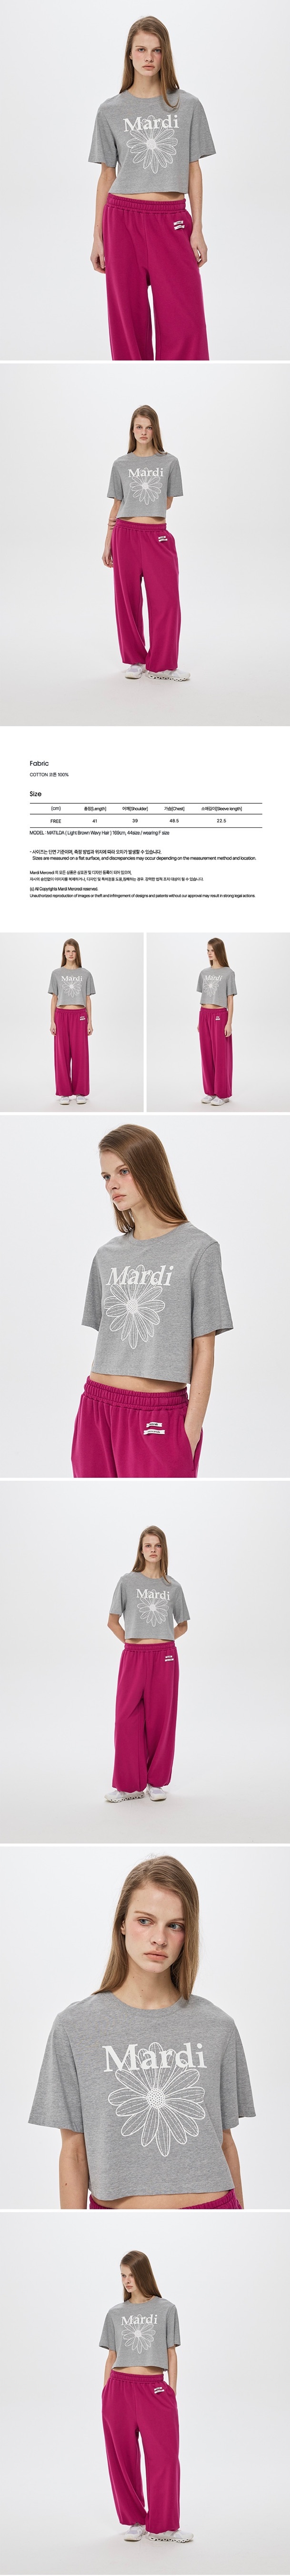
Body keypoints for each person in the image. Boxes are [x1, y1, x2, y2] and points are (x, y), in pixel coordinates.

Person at [29, 1854, 255, 2208]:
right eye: (145, 1921)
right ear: (122, 1924)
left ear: (188, 1934)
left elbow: (224, 2140)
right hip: (115, 2220)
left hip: (213, 2210)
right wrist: (71, 2231)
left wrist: (244, 2226)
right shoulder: (75, 2028)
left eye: (175, 1926)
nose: (159, 1939)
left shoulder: (217, 2027)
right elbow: (74, 2151)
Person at [70, 1121, 233, 1480]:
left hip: (158, 1413)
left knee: (160, 1500)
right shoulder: (107, 1256)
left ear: (150, 1169)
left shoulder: (199, 1249)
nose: (112, 1185)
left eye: (123, 1171)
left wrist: (190, 1432)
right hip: (96, 1407)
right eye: (106, 1176)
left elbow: (204, 1349)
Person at [89, 15, 215, 360]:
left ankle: (185, 380)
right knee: (127, 326)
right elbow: (106, 176)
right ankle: (133, 379)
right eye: (141, 50)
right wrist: (97, 236)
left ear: (165, 55)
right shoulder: (109, 111)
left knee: (186, 325)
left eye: (156, 50)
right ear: (129, 55)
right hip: (122, 220)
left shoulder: (187, 106)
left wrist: (198, 229)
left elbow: (193, 170)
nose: (149, 57)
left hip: (171, 220)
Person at [100, 2248, 191, 2541]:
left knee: (165, 2458)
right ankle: (135, 2521)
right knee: (123, 2459)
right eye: (122, 2276)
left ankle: (165, 2525)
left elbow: (171, 2353)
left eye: (131, 2275)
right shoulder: (115, 2313)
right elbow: (111, 2356)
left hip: (155, 2389)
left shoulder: (166, 2309)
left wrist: (171, 2392)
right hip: (119, 2390)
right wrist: (105, 2393)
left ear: (144, 2274)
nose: (127, 2281)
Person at [106, 1520, 189, 1801]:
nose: (153, 1550)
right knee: (126, 1719)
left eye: (158, 1545)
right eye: (148, 1546)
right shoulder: (127, 1582)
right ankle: (128, 1786)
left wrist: (163, 1639)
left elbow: (183, 1625)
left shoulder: (174, 1587)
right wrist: (132, 1644)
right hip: (134, 1656)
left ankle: (156, 1783)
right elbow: (112, 1621)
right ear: (141, 1551)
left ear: (163, 1550)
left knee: (160, 1720)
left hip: (165, 1658)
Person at [103, 404, 186, 681]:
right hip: (124, 534)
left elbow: (167, 503)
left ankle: (163, 665)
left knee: (167, 602)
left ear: (155, 430)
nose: (143, 432)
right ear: (132, 430)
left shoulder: (170, 462)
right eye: (139, 427)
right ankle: (136, 660)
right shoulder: (121, 464)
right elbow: (117, 505)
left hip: (157, 536)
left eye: (148, 427)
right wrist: (108, 542)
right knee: (127, 601)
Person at [49, 941, 95, 1102]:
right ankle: (64, 1093)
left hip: (80, 1016)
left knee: (80, 1055)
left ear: (77, 953)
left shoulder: (86, 974)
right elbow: (54, 998)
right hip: (61, 1016)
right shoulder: (56, 974)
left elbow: (88, 999)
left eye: (73, 951)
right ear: (64, 953)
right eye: (68, 951)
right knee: (62, 1055)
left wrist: (90, 1021)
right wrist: (52, 1021)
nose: (70, 954)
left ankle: (81, 1092)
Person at [197, 941, 237, 1104]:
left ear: (219, 951)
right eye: (208, 950)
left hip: (220, 1016)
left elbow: (230, 999)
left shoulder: (229, 973)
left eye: (212, 950)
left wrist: (229, 1023)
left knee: (221, 1056)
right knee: (206, 1054)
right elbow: (205, 997)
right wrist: (200, 1020)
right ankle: (211, 1092)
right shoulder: (204, 973)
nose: (209, 953)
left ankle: (223, 1094)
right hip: (204, 1015)